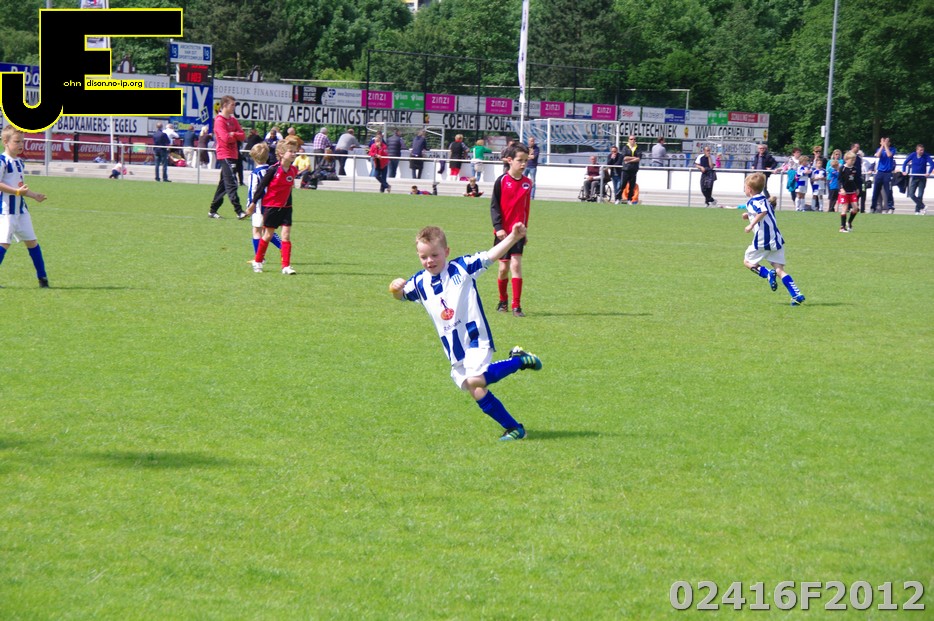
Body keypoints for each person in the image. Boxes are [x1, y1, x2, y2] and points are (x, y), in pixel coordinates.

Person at [388, 222, 542, 441]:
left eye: (435, 255)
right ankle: (515, 429)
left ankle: (519, 361)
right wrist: (395, 288)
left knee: (476, 379)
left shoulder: (462, 267)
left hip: (475, 337)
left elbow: (491, 255)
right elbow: (401, 295)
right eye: (424, 257)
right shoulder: (419, 282)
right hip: (454, 349)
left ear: (447, 251)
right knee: (475, 389)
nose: (430, 260)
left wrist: (513, 238)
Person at [741, 172, 805, 306]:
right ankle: (796, 294)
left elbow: (763, 211)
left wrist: (750, 225)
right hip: (776, 239)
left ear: (749, 189)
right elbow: (765, 211)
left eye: (745, 187)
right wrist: (749, 215)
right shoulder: (764, 199)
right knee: (779, 269)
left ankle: (767, 274)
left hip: (763, 240)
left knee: (747, 261)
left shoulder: (752, 201)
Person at [0, 126, 50, 288]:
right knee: (4, 243)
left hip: (21, 211)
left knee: (32, 242)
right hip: (6, 211)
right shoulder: (2, 161)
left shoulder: (20, 162)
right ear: (5, 142)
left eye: (22, 141)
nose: (21, 144)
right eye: (17, 141)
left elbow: (20, 188)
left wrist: (34, 195)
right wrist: (16, 191)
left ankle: (43, 278)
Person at [490, 143, 532, 317]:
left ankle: (517, 305)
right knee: (503, 269)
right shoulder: (501, 181)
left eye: (525, 160)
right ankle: (503, 300)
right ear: (509, 160)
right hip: (503, 233)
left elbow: (526, 209)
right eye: (520, 160)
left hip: (518, 233)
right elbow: (494, 206)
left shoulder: (527, 183)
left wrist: (525, 230)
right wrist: (498, 228)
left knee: (516, 265)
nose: (523, 164)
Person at [246, 140, 300, 275]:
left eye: (295, 151)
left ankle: (286, 266)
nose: (294, 154)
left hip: (286, 207)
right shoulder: (273, 170)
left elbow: (289, 188)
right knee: (267, 235)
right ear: (281, 153)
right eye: (291, 151)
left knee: (286, 236)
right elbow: (261, 187)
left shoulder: (294, 170)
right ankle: (258, 261)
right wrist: (253, 204)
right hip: (272, 207)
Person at [208, 95, 247, 220]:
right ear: (224, 105)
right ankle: (239, 211)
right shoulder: (219, 121)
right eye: (232, 105)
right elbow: (225, 138)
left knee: (224, 184)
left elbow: (243, 136)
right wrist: (235, 135)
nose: (234, 107)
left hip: (234, 154)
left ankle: (212, 210)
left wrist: (233, 134)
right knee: (232, 183)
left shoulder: (233, 120)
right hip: (224, 154)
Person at [245, 142, 283, 261]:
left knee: (257, 230)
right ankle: (283, 247)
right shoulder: (273, 170)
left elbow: (253, 191)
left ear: (253, 157)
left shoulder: (254, 174)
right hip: (272, 205)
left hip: (259, 207)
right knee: (268, 230)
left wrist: (250, 205)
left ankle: (259, 257)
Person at [901, 143, 934, 215]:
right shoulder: (913, 155)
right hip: (914, 177)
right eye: (920, 150)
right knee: (911, 194)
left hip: (922, 178)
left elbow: (932, 164)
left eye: (922, 150)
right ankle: (923, 206)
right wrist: (904, 171)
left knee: (920, 195)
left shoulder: (926, 156)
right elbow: (905, 162)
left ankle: (917, 210)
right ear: (917, 150)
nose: (922, 151)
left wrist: (928, 173)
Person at [870, 136, 896, 214]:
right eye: (883, 141)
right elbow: (878, 155)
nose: (885, 143)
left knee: (889, 191)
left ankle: (890, 207)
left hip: (888, 173)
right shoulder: (879, 149)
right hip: (880, 172)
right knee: (876, 191)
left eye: (886, 141)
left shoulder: (892, 149)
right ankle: (873, 207)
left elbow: (889, 155)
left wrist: (886, 146)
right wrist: (882, 146)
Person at [837, 151, 860, 232]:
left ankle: (849, 222)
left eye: (854, 160)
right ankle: (842, 227)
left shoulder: (854, 169)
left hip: (852, 191)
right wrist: (841, 188)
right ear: (846, 160)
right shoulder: (842, 168)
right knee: (845, 208)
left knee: (856, 208)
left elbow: (855, 180)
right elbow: (839, 180)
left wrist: (857, 188)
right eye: (851, 160)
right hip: (844, 192)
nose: (853, 161)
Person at [618, 135, 643, 204]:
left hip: (634, 169)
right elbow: (624, 158)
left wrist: (629, 160)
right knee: (622, 185)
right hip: (626, 169)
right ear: (628, 140)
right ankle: (618, 198)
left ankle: (629, 199)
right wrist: (634, 158)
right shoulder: (625, 147)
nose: (633, 140)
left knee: (632, 186)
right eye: (631, 139)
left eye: (634, 139)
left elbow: (638, 159)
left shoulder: (638, 148)